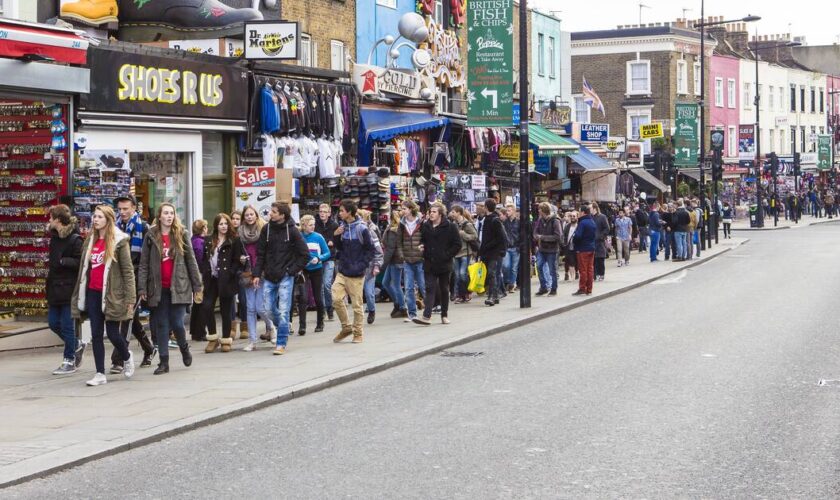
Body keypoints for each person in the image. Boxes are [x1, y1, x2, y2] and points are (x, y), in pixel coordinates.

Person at [71, 205, 136, 386]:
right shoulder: (90, 240)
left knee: (114, 334)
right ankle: (100, 373)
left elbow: (128, 271)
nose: (95, 219)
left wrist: (130, 299)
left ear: (108, 220)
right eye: (94, 216)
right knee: (96, 334)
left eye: (99, 217)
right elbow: (85, 268)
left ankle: (126, 355)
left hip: (112, 294)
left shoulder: (119, 241)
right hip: (93, 292)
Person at [138, 203, 202, 375]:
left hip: (179, 286)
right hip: (158, 288)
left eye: (171, 213)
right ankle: (163, 362)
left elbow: (191, 261)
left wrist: (197, 285)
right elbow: (143, 264)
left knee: (177, 323)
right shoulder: (151, 235)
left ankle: (184, 348)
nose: (169, 216)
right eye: (165, 213)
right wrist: (142, 287)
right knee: (161, 325)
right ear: (159, 216)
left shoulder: (182, 234)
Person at [253, 202, 310, 355]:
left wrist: (291, 271)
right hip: (269, 275)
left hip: (285, 276)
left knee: (284, 310)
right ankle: (284, 325)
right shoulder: (266, 229)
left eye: (273, 211)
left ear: (282, 215)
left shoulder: (293, 231)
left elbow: (305, 254)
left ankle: (281, 342)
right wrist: (257, 274)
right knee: (268, 309)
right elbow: (261, 254)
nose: (270, 214)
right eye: (271, 211)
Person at [112, 195, 155, 372]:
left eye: (125, 209)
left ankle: (119, 359)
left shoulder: (143, 228)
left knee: (126, 318)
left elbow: (148, 259)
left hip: (136, 278)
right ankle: (149, 349)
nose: (122, 212)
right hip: (119, 278)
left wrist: (144, 284)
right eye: (120, 209)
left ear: (134, 208)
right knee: (133, 319)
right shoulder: (114, 228)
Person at [47, 204, 84, 375]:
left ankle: (69, 359)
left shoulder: (75, 239)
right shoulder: (54, 238)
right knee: (53, 323)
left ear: (58, 220)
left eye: (51, 217)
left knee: (68, 325)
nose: (49, 220)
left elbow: (80, 263)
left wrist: (64, 261)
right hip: (54, 287)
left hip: (69, 288)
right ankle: (76, 344)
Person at [331, 200, 375, 344]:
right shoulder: (342, 227)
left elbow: (370, 250)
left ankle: (358, 333)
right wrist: (336, 235)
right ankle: (346, 327)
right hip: (343, 271)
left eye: (342, 210)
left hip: (356, 273)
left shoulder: (362, 229)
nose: (340, 213)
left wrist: (361, 265)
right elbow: (339, 247)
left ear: (349, 212)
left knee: (357, 305)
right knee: (336, 298)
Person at [413, 202, 462, 325]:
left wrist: (447, 255)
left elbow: (457, 244)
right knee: (430, 288)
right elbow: (423, 240)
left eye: (434, 212)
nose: (431, 214)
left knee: (444, 289)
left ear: (440, 214)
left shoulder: (450, 227)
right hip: (429, 262)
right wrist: (421, 246)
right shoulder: (426, 226)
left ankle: (444, 315)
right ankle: (426, 316)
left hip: (444, 264)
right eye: (430, 212)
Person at [200, 213, 242, 354]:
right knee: (206, 306)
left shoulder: (234, 240)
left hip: (226, 280)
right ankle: (212, 338)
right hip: (211, 279)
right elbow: (204, 259)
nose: (224, 226)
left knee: (225, 310)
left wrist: (231, 272)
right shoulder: (209, 240)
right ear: (216, 226)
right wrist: (204, 271)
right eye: (221, 224)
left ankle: (225, 339)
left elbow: (238, 260)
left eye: (226, 224)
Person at [238, 205, 274, 351]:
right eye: (246, 215)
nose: (249, 217)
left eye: (252, 214)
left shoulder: (264, 230)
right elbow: (236, 253)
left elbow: (269, 252)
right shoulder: (240, 233)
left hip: (262, 272)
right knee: (250, 308)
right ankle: (252, 341)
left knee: (260, 307)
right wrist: (240, 258)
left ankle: (272, 327)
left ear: (256, 215)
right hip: (247, 272)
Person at [297, 214, 330, 336]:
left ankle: (320, 323)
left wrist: (319, 258)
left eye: (314, 224)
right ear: (304, 225)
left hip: (317, 269)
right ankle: (302, 326)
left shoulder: (318, 237)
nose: (313, 227)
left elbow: (327, 252)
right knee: (303, 298)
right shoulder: (299, 237)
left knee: (317, 297)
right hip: (303, 270)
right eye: (310, 225)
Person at [398, 200, 425, 322]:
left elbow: (425, 238)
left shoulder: (421, 222)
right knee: (408, 288)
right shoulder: (402, 224)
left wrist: (424, 251)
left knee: (423, 286)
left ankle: (429, 309)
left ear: (410, 209)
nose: (401, 211)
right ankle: (412, 313)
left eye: (404, 208)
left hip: (420, 259)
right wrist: (401, 255)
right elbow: (399, 241)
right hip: (407, 260)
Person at [477, 198, 506, 306]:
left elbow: (501, 237)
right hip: (487, 252)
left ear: (486, 207)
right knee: (490, 274)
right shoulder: (487, 219)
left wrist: (500, 250)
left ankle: (492, 296)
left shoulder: (494, 220)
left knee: (491, 273)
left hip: (494, 252)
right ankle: (495, 295)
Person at [358, 209, 384, 325]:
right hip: (356, 269)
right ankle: (358, 317)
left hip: (369, 268)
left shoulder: (372, 232)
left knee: (369, 293)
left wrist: (377, 266)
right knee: (357, 295)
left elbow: (379, 251)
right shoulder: (351, 232)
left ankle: (372, 310)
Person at [315, 204, 338, 321]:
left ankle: (329, 307)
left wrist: (332, 242)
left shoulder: (334, 225)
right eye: (320, 211)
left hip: (330, 258)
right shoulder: (315, 224)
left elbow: (338, 240)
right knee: (320, 286)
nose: (322, 213)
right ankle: (322, 309)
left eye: (325, 211)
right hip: (317, 258)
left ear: (329, 213)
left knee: (327, 284)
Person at [449, 205, 477, 303]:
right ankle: (459, 295)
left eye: (453, 212)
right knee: (457, 275)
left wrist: (463, 234)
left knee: (462, 274)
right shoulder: (453, 224)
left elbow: (474, 236)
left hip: (465, 252)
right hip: (456, 253)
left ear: (458, 213)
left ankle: (467, 292)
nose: (451, 214)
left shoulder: (467, 224)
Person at [533, 202, 562, 296]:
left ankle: (554, 289)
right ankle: (543, 287)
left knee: (552, 270)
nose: (538, 211)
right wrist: (536, 236)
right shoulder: (540, 220)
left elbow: (558, 237)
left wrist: (542, 237)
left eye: (539, 209)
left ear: (543, 210)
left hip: (552, 250)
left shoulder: (555, 221)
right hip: (542, 249)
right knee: (539, 266)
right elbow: (535, 232)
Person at [381, 211, 407, 317]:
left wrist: (383, 265)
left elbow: (390, 249)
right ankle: (398, 303)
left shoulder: (393, 230)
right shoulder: (395, 228)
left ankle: (402, 307)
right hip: (394, 260)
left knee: (395, 285)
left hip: (395, 260)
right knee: (386, 283)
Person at [229, 209, 248, 340]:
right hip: (230, 270)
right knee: (230, 299)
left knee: (243, 299)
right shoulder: (227, 234)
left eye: (237, 219)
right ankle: (231, 327)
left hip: (242, 270)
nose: (235, 221)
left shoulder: (244, 234)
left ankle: (245, 326)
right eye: (233, 218)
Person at [189, 219, 208, 341]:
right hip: (201, 275)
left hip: (195, 275)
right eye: (205, 227)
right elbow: (201, 260)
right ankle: (200, 332)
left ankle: (194, 330)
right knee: (201, 304)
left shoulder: (192, 241)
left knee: (197, 303)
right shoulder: (200, 243)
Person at [572, 205, 597, 296]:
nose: (578, 214)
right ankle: (589, 289)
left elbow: (578, 236)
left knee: (583, 270)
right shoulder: (592, 221)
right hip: (591, 248)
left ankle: (582, 288)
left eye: (579, 212)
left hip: (582, 249)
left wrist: (574, 238)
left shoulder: (582, 223)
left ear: (583, 212)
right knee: (590, 269)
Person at [501, 204, 520, 292]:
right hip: (507, 247)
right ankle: (507, 282)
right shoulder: (504, 222)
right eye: (507, 211)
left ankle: (512, 284)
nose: (507, 212)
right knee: (506, 266)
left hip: (516, 247)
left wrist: (520, 246)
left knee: (514, 268)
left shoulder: (519, 222)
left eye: (509, 210)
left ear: (514, 211)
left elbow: (521, 235)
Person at [592, 203, 611, 281]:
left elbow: (607, 228)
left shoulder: (602, 217)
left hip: (600, 242)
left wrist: (601, 236)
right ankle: (594, 275)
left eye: (590, 208)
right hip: (592, 242)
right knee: (593, 260)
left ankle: (601, 274)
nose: (589, 210)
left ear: (595, 208)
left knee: (600, 259)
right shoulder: (590, 217)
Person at [562, 211, 578, 281]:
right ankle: (572, 277)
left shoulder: (579, 226)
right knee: (571, 262)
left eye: (574, 216)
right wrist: (564, 244)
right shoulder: (567, 226)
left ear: (577, 217)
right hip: (569, 247)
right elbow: (563, 235)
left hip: (577, 247)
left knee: (577, 262)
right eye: (571, 216)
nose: (572, 217)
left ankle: (576, 274)